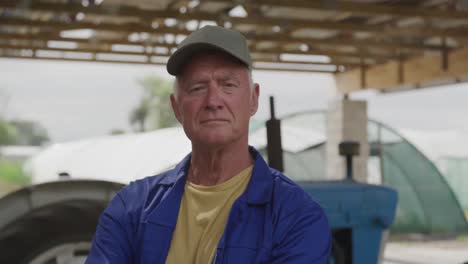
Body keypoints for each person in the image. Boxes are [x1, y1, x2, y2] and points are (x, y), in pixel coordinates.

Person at [86, 25, 331, 264]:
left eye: (228, 85)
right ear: (176, 108)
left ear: (253, 99)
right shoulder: (130, 209)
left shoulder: (296, 217)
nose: (213, 101)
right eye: (197, 88)